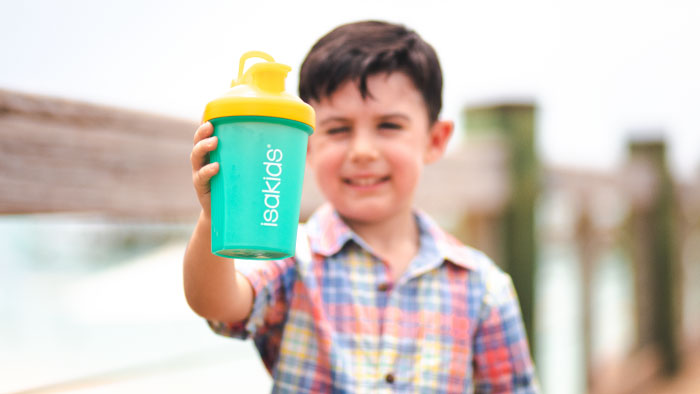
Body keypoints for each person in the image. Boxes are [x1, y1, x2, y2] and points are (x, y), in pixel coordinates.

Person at [184, 20, 538, 393]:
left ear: (435, 139)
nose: (363, 152)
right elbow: (218, 304)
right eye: (337, 129)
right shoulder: (292, 261)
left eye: (388, 126)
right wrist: (214, 217)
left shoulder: (483, 288)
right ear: (306, 145)